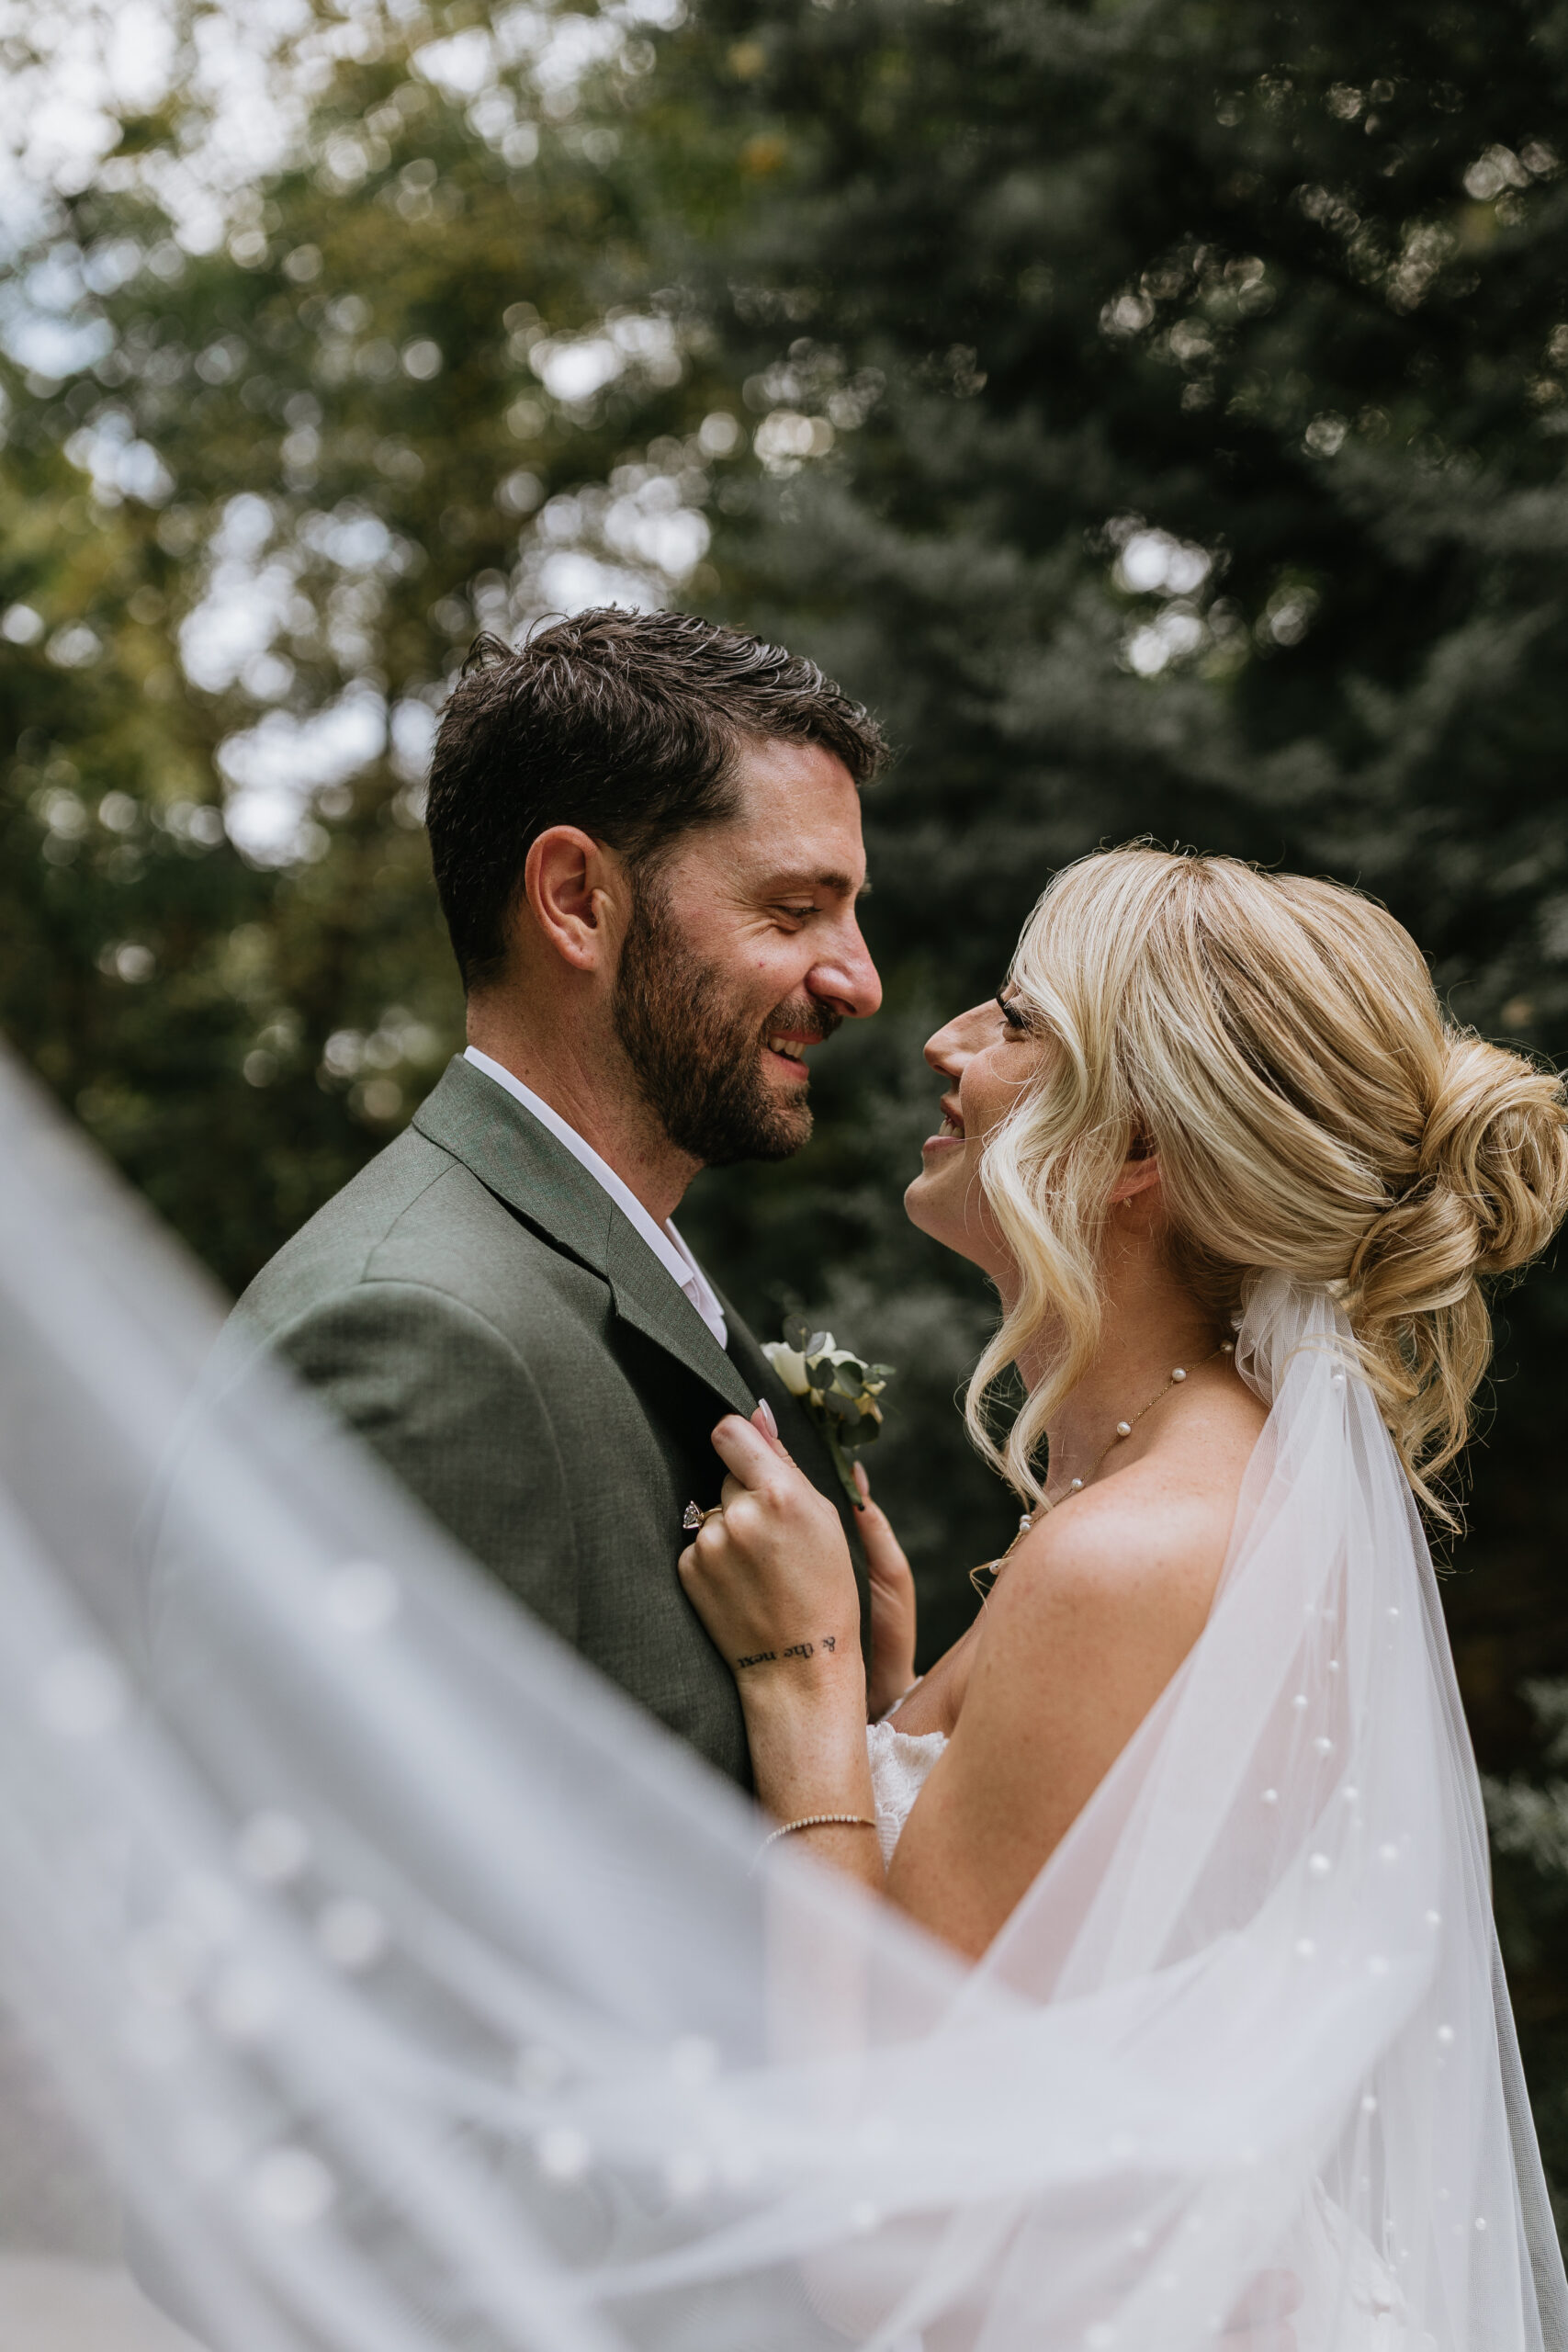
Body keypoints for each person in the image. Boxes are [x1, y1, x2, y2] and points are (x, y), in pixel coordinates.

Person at [220, 608, 885, 1785]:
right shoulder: (423, 1337)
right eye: (793, 911)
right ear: (576, 899)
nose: (859, 981)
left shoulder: (596, 1264)